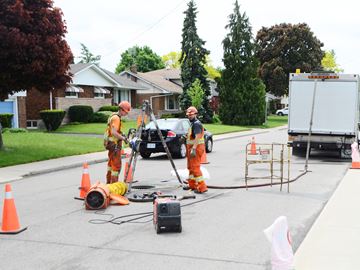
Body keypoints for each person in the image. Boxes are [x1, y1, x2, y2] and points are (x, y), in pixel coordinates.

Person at [104, 101, 131, 184]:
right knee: (116, 166)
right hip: (114, 145)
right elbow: (114, 132)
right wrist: (123, 138)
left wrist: (121, 133)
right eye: (126, 112)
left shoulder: (113, 116)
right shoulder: (116, 118)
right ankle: (114, 186)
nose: (126, 114)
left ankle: (108, 184)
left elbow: (113, 131)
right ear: (121, 110)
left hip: (110, 144)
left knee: (110, 165)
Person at [185, 106, 208, 193]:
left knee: (195, 168)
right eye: (188, 115)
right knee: (190, 167)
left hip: (196, 148)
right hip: (192, 148)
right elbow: (193, 135)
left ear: (195, 114)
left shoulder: (196, 124)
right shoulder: (193, 123)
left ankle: (202, 187)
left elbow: (198, 137)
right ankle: (192, 185)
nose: (189, 116)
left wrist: (193, 149)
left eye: (191, 115)